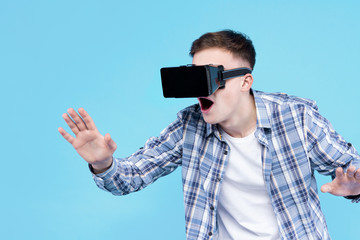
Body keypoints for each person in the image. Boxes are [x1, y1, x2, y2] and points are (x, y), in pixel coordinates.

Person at [58, 30, 360, 240]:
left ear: (244, 82)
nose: (201, 91)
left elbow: (353, 169)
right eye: (194, 76)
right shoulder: (189, 125)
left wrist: (355, 188)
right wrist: (103, 163)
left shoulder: (296, 117)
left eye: (211, 77)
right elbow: (130, 177)